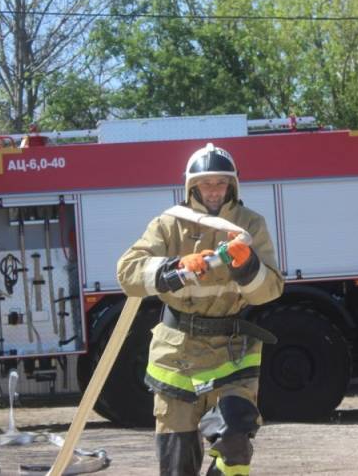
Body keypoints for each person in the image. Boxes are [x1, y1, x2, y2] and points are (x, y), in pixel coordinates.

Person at [117, 142, 284, 475]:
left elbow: (270, 291)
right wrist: (174, 268)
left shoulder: (249, 225)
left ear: (232, 185)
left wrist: (248, 267)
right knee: (177, 464)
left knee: (236, 441)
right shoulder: (169, 224)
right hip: (177, 354)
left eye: (221, 183)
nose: (214, 190)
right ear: (192, 186)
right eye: (206, 183)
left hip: (231, 352)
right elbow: (127, 272)